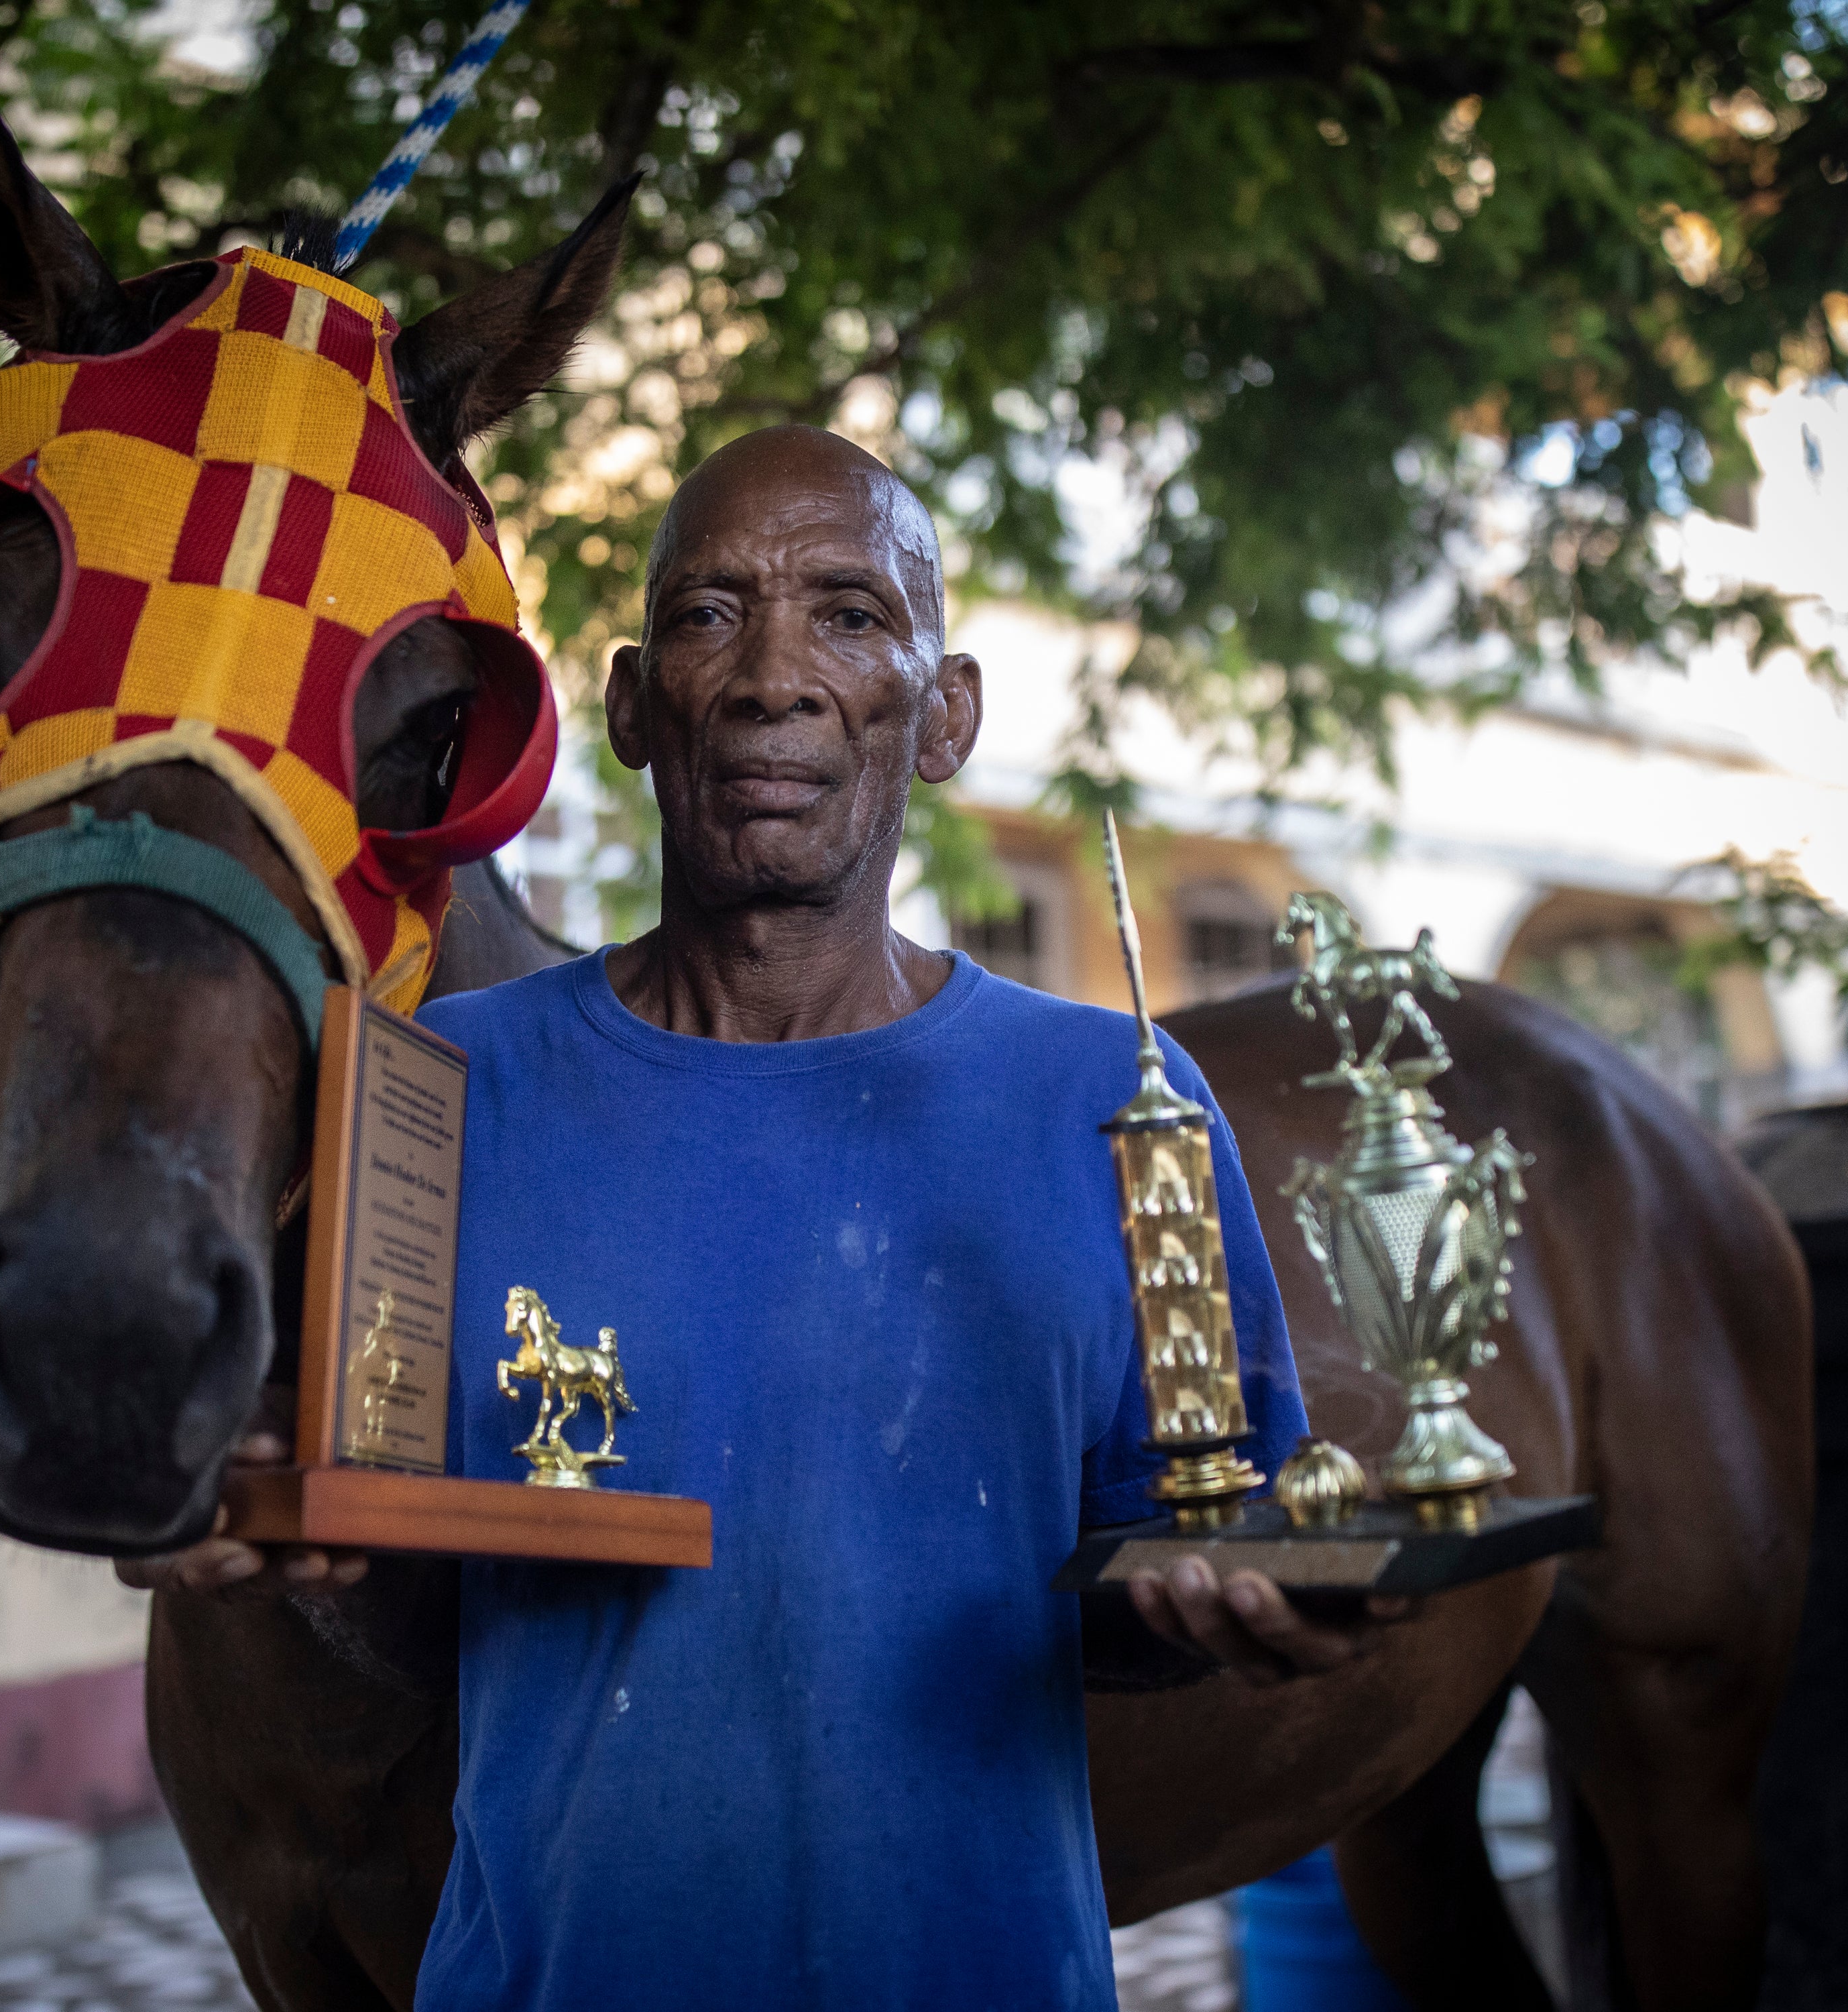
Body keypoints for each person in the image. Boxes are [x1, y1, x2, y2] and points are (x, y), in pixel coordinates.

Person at [141, 426, 1395, 2009]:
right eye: (709, 614)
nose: (773, 680)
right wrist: (294, 1545)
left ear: (946, 716)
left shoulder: (1114, 1099)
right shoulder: (441, 1091)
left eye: (852, 616)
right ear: (629, 705)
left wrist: (1232, 1606)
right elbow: (417, 1618)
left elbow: (1173, 1583)